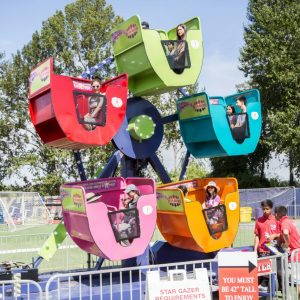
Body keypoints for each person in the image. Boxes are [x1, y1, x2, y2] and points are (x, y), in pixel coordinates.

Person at [272, 206, 300, 297]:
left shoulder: (284, 222)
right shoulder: (289, 221)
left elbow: (285, 232)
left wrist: (286, 244)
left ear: (276, 214)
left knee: (296, 283)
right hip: (296, 254)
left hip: (294, 257)